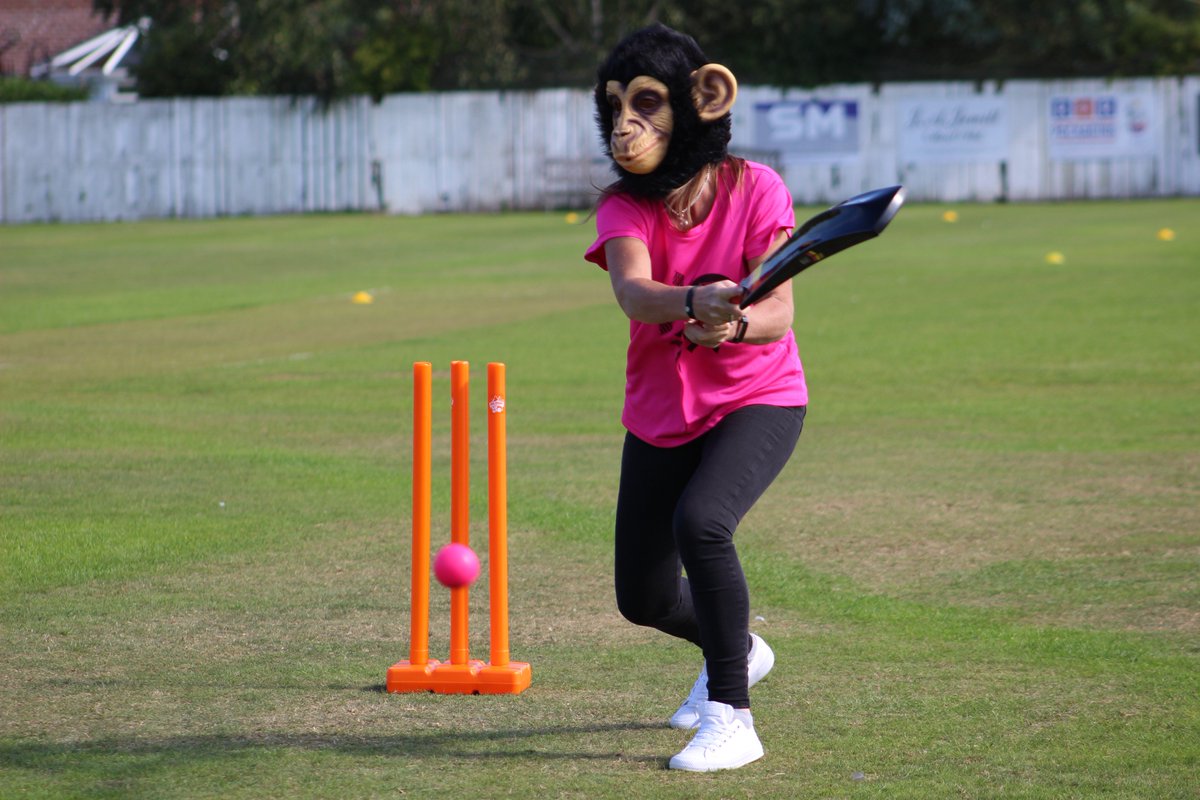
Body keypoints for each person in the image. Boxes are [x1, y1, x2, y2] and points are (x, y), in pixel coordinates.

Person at [583, 24, 808, 772]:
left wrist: (735, 321)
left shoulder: (757, 188)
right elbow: (633, 292)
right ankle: (736, 642)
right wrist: (692, 301)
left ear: (702, 98)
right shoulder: (622, 205)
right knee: (642, 599)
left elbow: (780, 315)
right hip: (660, 411)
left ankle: (732, 714)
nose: (624, 125)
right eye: (614, 107)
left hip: (760, 395)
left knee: (703, 522)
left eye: (645, 104)